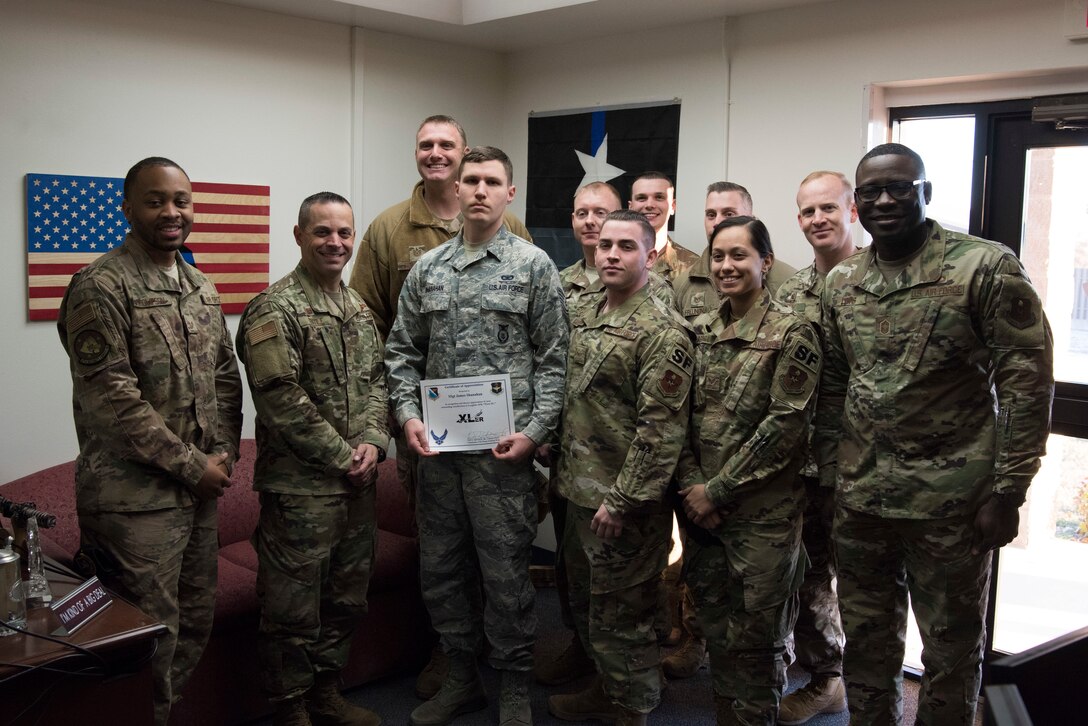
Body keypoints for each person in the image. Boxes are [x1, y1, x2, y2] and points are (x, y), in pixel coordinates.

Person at [815, 143, 1054, 725]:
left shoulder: (984, 267)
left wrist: (1008, 492)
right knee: (868, 644)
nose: (885, 200)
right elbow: (832, 386)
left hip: (953, 505)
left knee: (949, 652)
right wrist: (828, 477)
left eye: (900, 187)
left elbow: (1027, 385)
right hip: (862, 501)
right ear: (857, 203)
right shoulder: (842, 280)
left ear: (926, 192)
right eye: (871, 191)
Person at [348, 114, 533, 698]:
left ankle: (504, 676)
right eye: (425, 144)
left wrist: (535, 424)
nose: (437, 155)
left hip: (503, 441)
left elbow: (546, 350)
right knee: (442, 554)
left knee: (503, 559)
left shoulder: (523, 247)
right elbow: (380, 336)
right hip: (433, 440)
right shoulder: (397, 239)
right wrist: (400, 415)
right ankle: (452, 662)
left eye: (446, 146)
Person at [385, 146, 569, 726]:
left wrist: (536, 433)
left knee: (507, 573)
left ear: (509, 193)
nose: (480, 190)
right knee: (441, 570)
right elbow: (400, 354)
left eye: (492, 181)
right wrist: (408, 417)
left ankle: (513, 684)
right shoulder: (428, 269)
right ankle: (462, 676)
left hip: (502, 457)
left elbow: (556, 361)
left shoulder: (534, 266)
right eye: (472, 180)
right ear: (457, 191)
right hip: (438, 457)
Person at [57, 157, 243, 726]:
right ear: (128, 207)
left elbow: (224, 376)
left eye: (181, 200)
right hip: (134, 504)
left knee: (196, 620)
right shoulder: (101, 286)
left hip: (198, 495)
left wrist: (225, 452)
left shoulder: (198, 284)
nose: (171, 212)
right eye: (156, 200)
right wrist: (193, 465)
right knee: (143, 639)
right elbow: (114, 402)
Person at [236, 192, 390, 726]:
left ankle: (326, 694)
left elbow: (377, 383)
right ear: (299, 236)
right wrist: (343, 455)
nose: (335, 242)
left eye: (344, 233)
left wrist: (373, 441)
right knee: (292, 611)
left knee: (346, 601)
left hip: (357, 487)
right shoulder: (273, 309)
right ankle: (291, 709)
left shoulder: (358, 311)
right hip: (302, 493)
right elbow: (280, 399)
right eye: (322, 232)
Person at [546, 210, 694, 726]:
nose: (610, 253)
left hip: (620, 503)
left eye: (626, 246)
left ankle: (632, 710)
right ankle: (605, 690)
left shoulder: (664, 332)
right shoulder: (586, 311)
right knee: (591, 607)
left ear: (650, 256)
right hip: (577, 488)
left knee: (624, 614)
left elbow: (661, 431)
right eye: (605, 244)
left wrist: (623, 501)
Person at [677, 216, 820, 725]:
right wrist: (694, 488)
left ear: (765, 261)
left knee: (758, 643)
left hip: (763, 516)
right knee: (717, 632)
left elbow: (786, 426)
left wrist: (716, 488)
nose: (726, 265)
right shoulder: (699, 331)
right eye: (718, 256)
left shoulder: (793, 332)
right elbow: (681, 419)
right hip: (704, 513)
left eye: (739, 255)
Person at [774, 170, 859, 724]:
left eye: (828, 208)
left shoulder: (879, 283)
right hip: (803, 462)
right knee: (808, 575)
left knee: (865, 584)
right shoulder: (791, 292)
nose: (817, 219)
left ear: (852, 211)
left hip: (865, 464)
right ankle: (826, 676)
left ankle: (869, 686)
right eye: (807, 212)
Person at [672, 182, 796, 322]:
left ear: (751, 219)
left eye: (728, 213)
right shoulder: (681, 285)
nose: (717, 222)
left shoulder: (790, 282)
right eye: (711, 215)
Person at [627, 172, 700, 284]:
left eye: (659, 197)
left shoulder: (692, 267)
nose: (649, 205)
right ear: (630, 207)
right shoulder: (613, 260)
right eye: (642, 198)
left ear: (673, 206)